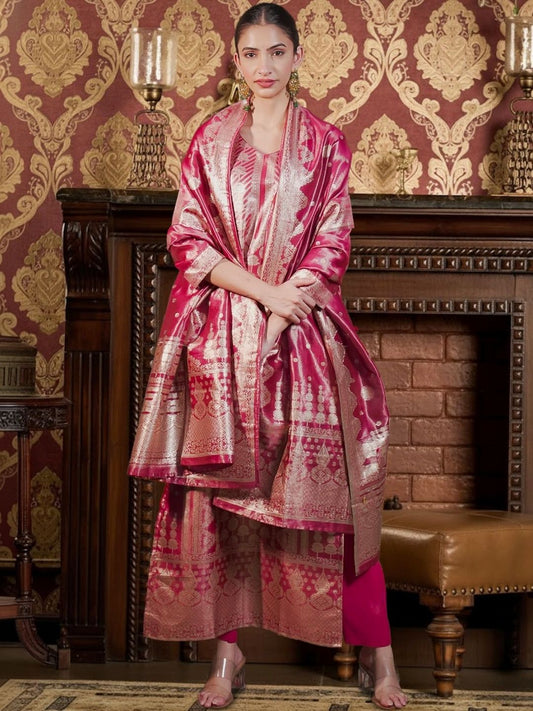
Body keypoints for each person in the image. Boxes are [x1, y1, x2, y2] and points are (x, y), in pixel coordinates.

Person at [128, 3, 407, 709]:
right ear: (235, 59)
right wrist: (263, 296)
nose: (263, 66)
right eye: (250, 53)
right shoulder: (209, 140)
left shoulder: (327, 144)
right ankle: (226, 659)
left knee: (334, 501)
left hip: (306, 335)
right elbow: (189, 241)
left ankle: (380, 655)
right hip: (223, 343)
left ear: (297, 57)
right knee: (219, 506)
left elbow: (333, 242)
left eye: (276, 52)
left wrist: (287, 308)